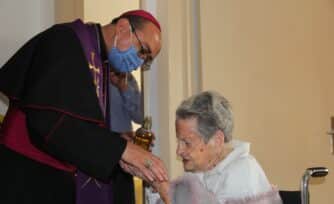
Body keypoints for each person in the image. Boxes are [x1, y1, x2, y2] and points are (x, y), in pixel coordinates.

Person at [0, 9, 168, 204]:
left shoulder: (102, 63)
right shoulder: (66, 41)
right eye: (143, 51)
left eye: (146, 60)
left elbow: (80, 124)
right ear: (123, 28)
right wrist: (122, 150)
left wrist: (118, 145)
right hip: (26, 175)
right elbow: (51, 121)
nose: (139, 62)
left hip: (54, 176)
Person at [149, 91, 282, 204]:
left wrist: (168, 195)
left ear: (217, 140)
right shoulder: (202, 171)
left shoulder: (243, 173)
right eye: (179, 141)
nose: (179, 151)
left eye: (187, 143)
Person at [76, 71, 143, 204]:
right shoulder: (90, 71)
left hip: (123, 155)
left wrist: (123, 87)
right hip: (96, 152)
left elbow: (140, 116)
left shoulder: (127, 77)